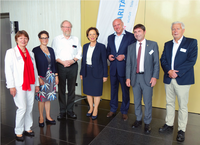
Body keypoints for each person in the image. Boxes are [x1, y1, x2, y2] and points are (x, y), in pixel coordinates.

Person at [159, 21, 198, 142]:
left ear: (183, 30)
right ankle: (169, 124)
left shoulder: (191, 42)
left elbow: (191, 60)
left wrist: (177, 72)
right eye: (173, 29)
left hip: (183, 79)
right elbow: (163, 59)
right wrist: (169, 71)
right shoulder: (167, 44)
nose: (175, 31)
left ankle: (181, 130)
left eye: (178, 28)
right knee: (169, 103)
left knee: (182, 106)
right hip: (168, 78)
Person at [4, 30, 39, 141]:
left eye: (25, 38)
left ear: (27, 40)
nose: (23, 40)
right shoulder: (11, 52)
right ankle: (18, 131)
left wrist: (37, 84)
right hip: (19, 84)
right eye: (21, 38)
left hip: (31, 83)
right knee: (22, 107)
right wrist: (11, 86)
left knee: (29, 107)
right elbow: (8, 70)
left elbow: (35, 70)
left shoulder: (31, 53)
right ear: (16, 40)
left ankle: (28, 128)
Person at [126, 24, 159, 133]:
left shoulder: (153, 45)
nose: (137, 34)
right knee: (136, 101)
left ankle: (147, 122)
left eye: (139, 31)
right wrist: (128, 78)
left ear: (144, 32)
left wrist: (154, 76)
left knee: (148, 101)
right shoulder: (130, 47)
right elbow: (129, 64)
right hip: (135, 78)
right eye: (135, 32)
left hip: (147, 78)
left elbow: (156, 63)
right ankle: (138, 119)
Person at [106, 18, 136, 121]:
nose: (117, 27)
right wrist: (108, 56)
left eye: (118, 24)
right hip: (113, 69)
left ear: (123, 24)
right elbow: (108, 51)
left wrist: (125, 56)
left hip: (124, 69)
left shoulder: (131, 37)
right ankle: (113, 109)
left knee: (125, 91)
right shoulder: (110, 37)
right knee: (113, 90)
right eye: (114, 25)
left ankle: (124, 111)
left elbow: (134, 52)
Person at [52, 20, 82, 120]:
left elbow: (79, 53)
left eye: (69, 27)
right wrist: (63, 62)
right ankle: (62, 111)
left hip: (73, 66)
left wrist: (73, 60)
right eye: (65, 27)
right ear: (61, 28)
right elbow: (54, 54)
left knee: (72, 89)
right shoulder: (56, 39)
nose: (67, 29)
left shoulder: (75, 39)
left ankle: (70, 110)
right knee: (61, 89)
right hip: (60, 66)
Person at [80, 27, 108, 120]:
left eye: (94, 34)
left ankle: (95, 109)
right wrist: (81, 72)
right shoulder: (85, 46)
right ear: (87, 36)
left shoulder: (101, 46)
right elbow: (83, 60)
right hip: (87, 71)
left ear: (97, 35)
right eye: (90, 34)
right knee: (88, 91)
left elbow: (104, 62)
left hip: (98, 72)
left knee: (96, 92)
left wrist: (105, 75)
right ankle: (91, 108)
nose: (92, 36)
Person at [32, 30, 59, 127]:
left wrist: (56, 75)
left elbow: (54, 64)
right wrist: (38, 78)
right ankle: (41, 117)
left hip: (51, 76)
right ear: (39, 39)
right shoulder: (35, 50)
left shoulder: (51, 50)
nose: (45, 39)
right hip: (41, 77)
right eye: (42, 38)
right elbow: (34, 66)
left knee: (48, 98)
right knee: (42, 98)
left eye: (46, 37)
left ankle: (48, 116)